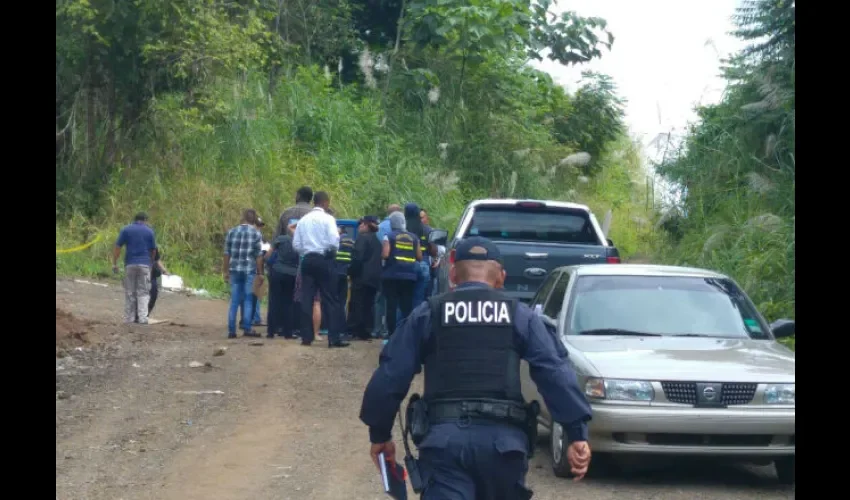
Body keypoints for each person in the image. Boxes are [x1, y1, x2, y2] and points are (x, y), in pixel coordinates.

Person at [359, 237, 593, 499]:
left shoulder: (429, 314)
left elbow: (390, 375)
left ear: (453, 275)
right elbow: (555, 373)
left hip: (443, 447)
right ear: (501, 277)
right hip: (504, 448)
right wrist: (576, 433)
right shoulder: (520, 316)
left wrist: (379, 434)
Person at [292, 191, 349, 348]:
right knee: (331, 298)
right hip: (324, 259)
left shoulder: (303, 221)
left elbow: (296, 245)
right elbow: (333, 240)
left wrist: (306, 252)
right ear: (325, 203)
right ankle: (333, 338)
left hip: (307, 260)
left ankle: (306, 337)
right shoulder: (328, 219)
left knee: (307, 298)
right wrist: (330, 251)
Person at [223, 209, 265, 338]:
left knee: (235, 300)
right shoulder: (256, 234)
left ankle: (231, 330)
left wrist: (225, 271)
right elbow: (258, 256)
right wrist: (260, 273)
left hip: (234, 270)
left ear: (243, 218)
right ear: (253, 220)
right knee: (248, 299)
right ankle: (247, 328)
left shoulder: (232, 232)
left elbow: (226, 254)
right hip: (249, 270)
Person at [381, 211, 421, 340]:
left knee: (391, 305)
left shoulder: (389, 236)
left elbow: (385, 254)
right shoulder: (414, 237)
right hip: (409, 276)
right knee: (406, 305)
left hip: (391, 276)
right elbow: (419, 257)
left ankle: (391, 333)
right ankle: (406, 332)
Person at [112, 212, 157, 325]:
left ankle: (129, 318)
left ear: (135, 219)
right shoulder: (149, 231)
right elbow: (153, 250)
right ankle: (142, 318)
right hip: (144, 264)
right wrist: (150, 263)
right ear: (145, 220)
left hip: (130, 264)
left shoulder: (126, 230)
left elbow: (118, 247)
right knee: (143, 292)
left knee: (130, 292)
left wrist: (115, 263)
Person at [348, 216, 382, 341]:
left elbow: (357, 258)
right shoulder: (377, 241)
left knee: (357, 303)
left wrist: (350, 271)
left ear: (366, 225)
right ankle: (366, 330)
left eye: (361, 224)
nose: (359, 227)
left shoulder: (362, 238)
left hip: (361, 277)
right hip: (374, 278)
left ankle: (355, 330)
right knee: (369, 304)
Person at [373, 204, 401, 339]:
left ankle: (377, 328)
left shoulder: (380, 227)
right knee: (394, 301)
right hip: (397, 269)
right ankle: (392, 329)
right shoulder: (402, 229)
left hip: (380, 267)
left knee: (379, 299)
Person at [266, 226, 300, 339]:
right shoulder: (300, 242)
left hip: (278, 272)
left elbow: (268, 254)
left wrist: (267, 263)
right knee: (288, 303)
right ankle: (288, 332)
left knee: (274, 301)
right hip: (292, 274)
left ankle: (271, 331)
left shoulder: (281, 239)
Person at [405, 202, 436, 308]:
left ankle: (401, 324)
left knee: (403, 301)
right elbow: (434, 251)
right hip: (423, 265)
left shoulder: (403, 229)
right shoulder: (427, 230)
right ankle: (418, 321)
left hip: (405, 266)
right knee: (420, 300)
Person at [135, 246, 169, 323]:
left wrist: (164, 270)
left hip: (151, 274)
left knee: (153, 294)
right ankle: (137, 316)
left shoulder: (152, 244)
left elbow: (157, 260)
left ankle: (144, 316)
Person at [334, 226, 356, 336]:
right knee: (343, 302)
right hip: (345, 274)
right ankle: (342, 328)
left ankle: (332, 327)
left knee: (333, 301)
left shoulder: (335, 239)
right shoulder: (352, 241)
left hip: (335, 273)